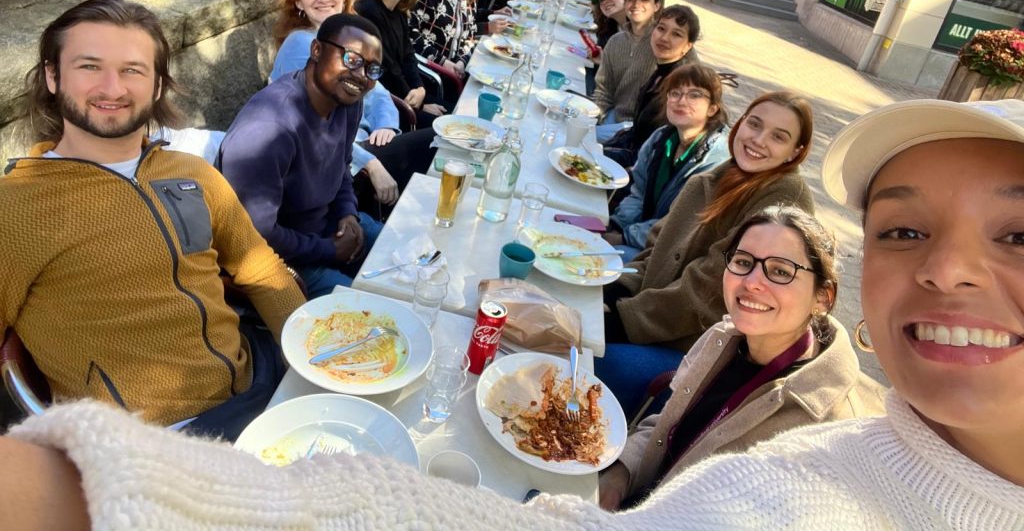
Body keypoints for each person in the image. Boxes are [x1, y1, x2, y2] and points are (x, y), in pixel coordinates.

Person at [9, 99, 1024, 529]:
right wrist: (604, 484)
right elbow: (668, 416)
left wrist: (592, 326)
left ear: (824, 295)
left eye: (1015, 234)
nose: (948, 271)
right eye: (905, 229)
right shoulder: (775, 396)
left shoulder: (817, 450)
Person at [0, 0, 306, 438]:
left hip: (254, 384)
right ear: (53, 76)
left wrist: (312, 360)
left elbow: (260, 270)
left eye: (132, 70)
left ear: (158, 85)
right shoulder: (15, 208)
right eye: (89, 66)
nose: (112, 88)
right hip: (153, 442)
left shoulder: (193, 173)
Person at [599, 205, 886, 510]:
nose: (751, 282)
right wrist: (621, 474)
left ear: (823, 297)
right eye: (744, 262)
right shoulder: (720, 338)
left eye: (780, 271)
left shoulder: (824, 429)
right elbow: (665, 426)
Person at [598, 91, 815, 416]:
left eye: (778, 137)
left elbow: (710, 288)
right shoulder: (712, 179)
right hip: (659, 318)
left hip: (707, 352)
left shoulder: (783, 200)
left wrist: (623, 319)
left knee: (592, 360)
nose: (758, 140)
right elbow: (657, 248)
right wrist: (619, 288)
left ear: (795, 152)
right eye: (754, 124)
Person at [218, 14, 383, 299]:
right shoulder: (267, 129)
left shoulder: (346, 102)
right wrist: (328, 250)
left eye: (372, 69)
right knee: (368, 311)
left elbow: (342, 165)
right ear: (317, 50)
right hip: (281, 257)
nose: (361, 75)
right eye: (352, 59)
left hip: (329, 227)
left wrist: (347, 212)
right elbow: (254, 234)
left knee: (413, 263)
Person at [271, 0, 403, 207]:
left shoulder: (350, 38)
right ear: (298, 3)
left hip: (365, 141)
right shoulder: (301, 44)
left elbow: (379, 92)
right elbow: (313, 125)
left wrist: (385, 124)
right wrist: (370, 163)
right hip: (340, 157)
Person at [605, 63, 730, 261]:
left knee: (604, 260)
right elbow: (639, 193)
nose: (681, 101)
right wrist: (616, 226)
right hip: (644, 237)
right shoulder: (660, 138)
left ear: (713, 108)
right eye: (675, 93)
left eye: (695, 95)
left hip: (675, 255)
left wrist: (624, 237)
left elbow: (680, 225)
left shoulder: (716, 160)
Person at [603, 5, 703, 168]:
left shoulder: (678, 88)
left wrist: (601, 154)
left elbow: (652, 154)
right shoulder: (661, 72)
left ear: (688, 46)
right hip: (629, 151)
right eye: (661, 28)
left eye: (676, 34)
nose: (664, 38)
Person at [593, 0, 663, 142]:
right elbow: (603, 90)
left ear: (656, 5)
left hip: (641, 128)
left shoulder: (664, 42)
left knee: (586, 137)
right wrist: (591, 117)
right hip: (614, 116)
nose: (636, 4)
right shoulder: (615, 42)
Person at [584, 0, 629, 95]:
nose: (605, 2)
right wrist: (603, 60)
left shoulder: (638, 31)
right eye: (602, 0)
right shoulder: (609, 28)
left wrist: (606, 63)